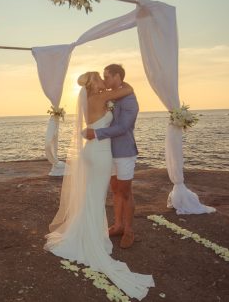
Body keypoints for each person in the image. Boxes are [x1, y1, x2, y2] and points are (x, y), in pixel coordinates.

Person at [45, 71, 154, 300]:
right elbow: (128, 89)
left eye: (107, 76)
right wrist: (120, 84)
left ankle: (89, 232)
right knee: (96, 197)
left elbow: (121, 119)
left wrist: (111, 88)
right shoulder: (103, 97)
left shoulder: (88, 99)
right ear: (94, 83)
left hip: (92, 153)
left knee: (91, 196)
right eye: (100, 77)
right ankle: (93, 237)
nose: (103, 80)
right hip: (101, 153)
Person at [85, 64, 139, 249]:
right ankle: (118, 225)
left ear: (117, 77)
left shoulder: (129, 99)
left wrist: (97, 133)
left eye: (107, 77)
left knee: (125, 192)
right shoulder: (110, 96)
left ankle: (129, 230)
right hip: (107, 152)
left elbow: (124, 127)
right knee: (115, 189)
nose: (105, 80)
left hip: (124, 152)